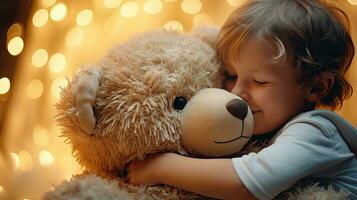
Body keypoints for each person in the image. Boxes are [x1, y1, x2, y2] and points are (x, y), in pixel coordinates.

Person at [125, 0, 357, 199]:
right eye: (231, 75)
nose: (237, 92)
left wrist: (161, 167)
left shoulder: (315, 131)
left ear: (315, 86)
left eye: (259, 81)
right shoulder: (264, 129)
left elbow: (247, 185)